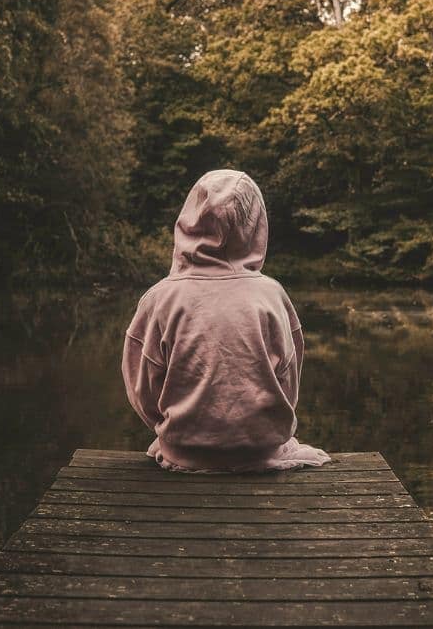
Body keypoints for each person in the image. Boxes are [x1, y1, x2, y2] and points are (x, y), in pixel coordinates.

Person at [121, 169, 331, 472]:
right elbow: (288, 380)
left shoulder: (160, 298)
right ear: (256, 225)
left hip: (182, 453)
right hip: (260, 452)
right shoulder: (272, 295)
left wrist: (172, 430)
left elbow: (142, 389)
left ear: (190, 220)